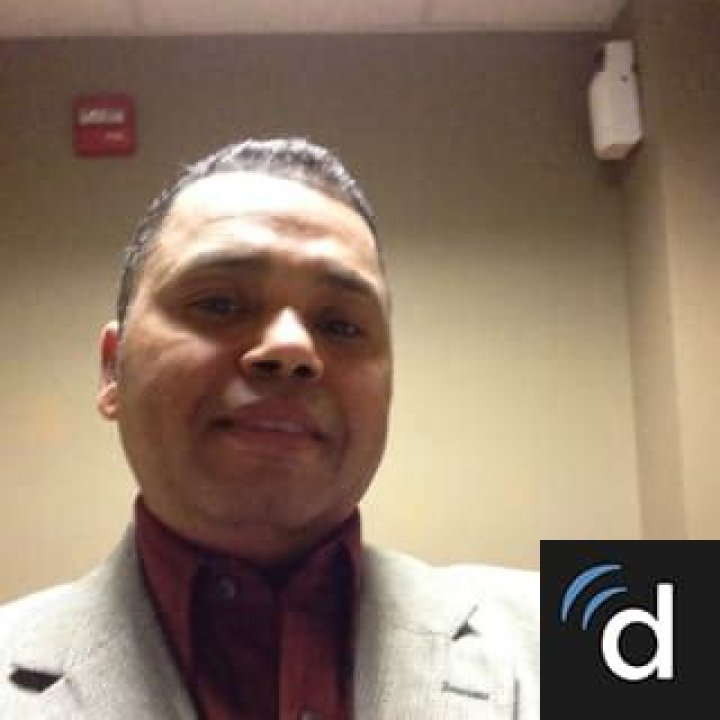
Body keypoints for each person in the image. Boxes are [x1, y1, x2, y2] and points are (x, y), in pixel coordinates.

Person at [0, 137, 539, 719]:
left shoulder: (592, 631)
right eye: (219, 304)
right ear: (113, 369)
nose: (290, 347)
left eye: (340, 324)